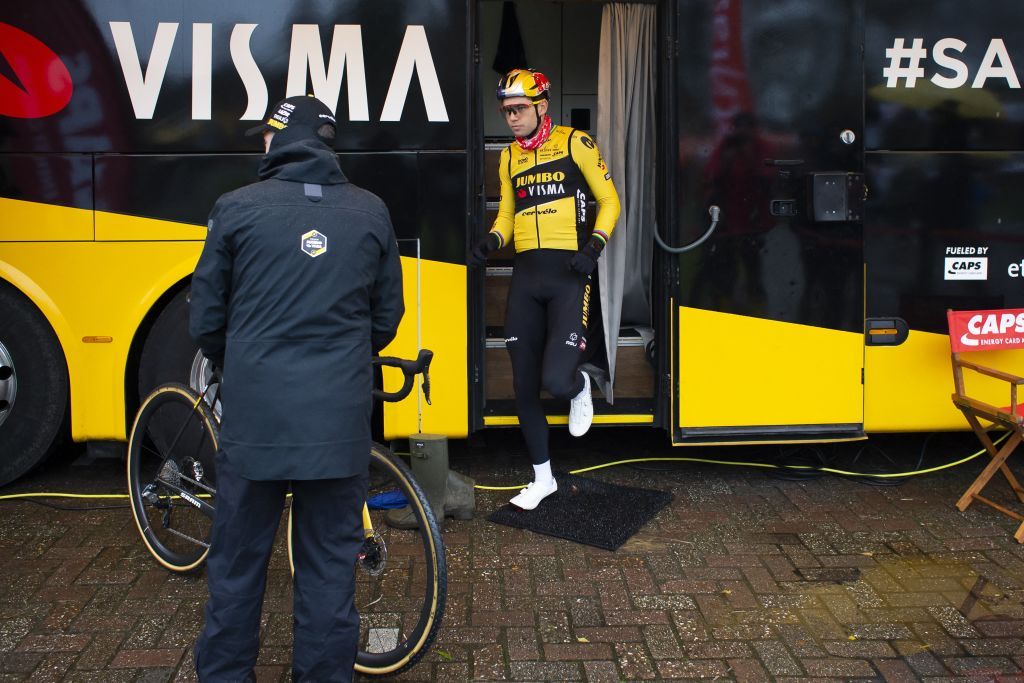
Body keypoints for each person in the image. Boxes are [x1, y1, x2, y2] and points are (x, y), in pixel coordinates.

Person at [189, 94, 404, 682]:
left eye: (265, 135)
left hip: (255, 426)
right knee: (331, 570)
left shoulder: (235, 208)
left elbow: (206, 318)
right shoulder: (371, 211)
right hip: (337, 427)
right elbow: (386, 317)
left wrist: (241, 364)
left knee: (236, 566)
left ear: (277, 139)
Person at [471, 68, 620, 510]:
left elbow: (610, 201)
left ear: (541, 106)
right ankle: (542, 479)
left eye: (518, 109)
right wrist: (492, 241)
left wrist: (594, 247)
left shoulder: (577, 142)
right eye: (505, 111)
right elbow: (506, 216)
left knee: (555, 380)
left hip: (569, 275)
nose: (511, 118)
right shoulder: (510, 157)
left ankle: (579, 388)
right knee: (521, 386)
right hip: (526, 277)